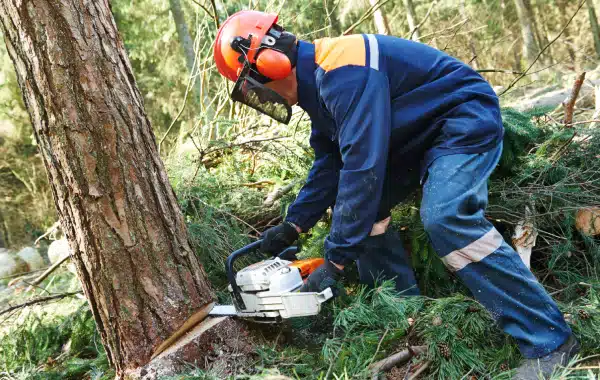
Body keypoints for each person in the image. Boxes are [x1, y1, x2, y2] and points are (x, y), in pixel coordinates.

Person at [212, 10, 579, 378]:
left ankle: (549, 340)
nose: (259, 94)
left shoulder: (344, 72)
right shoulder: (318, 84)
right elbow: (330, 163)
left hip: (461, 120)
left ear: (270, 63)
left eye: (253, 84)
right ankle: (407, 319)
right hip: (413, 138)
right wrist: (293, 225)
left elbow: (362, 168)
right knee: (364, 212)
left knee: (446, 217)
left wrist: (335, 261)